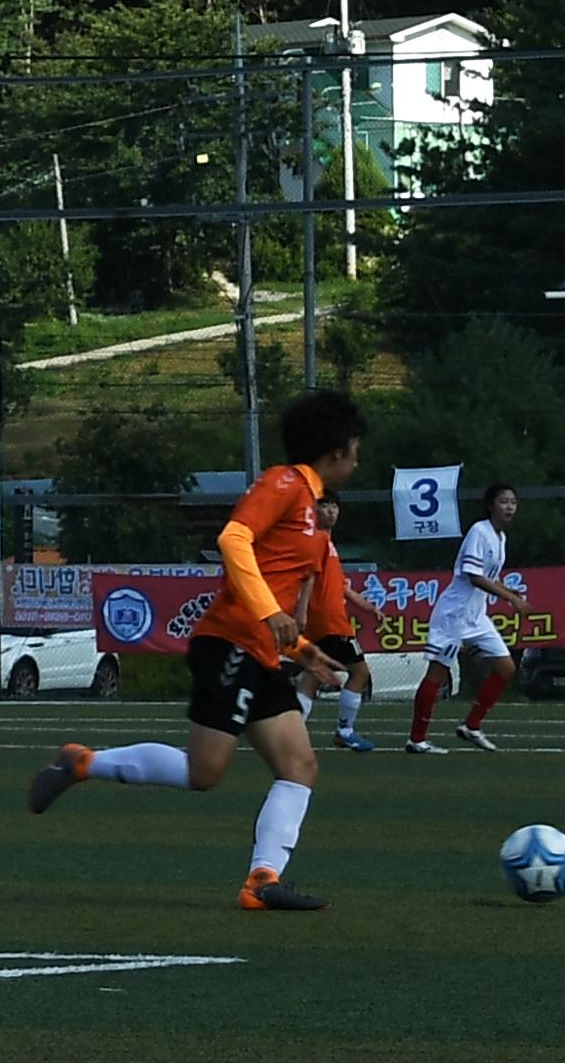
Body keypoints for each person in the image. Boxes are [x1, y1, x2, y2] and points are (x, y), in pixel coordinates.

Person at [29, 389, 367, 911]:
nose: (358, 459)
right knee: (202, 773)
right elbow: (234, 540)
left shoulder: (312, 516)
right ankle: (81, 762)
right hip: (230, 645)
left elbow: (274, 593)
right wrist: (271, 618)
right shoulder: (284, 483)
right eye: (356, 448)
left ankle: (263, 880)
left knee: (300, 766)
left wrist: (302, 650)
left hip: (261, 654)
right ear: (338, 450)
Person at [404, 482, 519, 754]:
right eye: (503, 501)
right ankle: (417, 739)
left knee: (506, 668)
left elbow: (489, 576)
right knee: (437, 672)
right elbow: (473, 575)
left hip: (476, 616)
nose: (509, 507)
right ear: (490, 505)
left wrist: (505, 589)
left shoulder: (500, 538)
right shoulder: (479, 531)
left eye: (513, 502)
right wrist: (509, 598)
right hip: (454, 615)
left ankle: (472, 725)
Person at [310, 489, 377, 752]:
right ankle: (345, 730)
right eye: (325, 506)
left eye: (335, 506)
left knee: (311, 676)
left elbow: (341, 587)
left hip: (322, 619)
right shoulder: (317, 541)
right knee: (359, 672)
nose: (331, 511)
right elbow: (308, 577)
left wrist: (367, 606)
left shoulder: (327, 543)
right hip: (329, 620)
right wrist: (302, 611)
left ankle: (289, 732)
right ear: (313, 511)